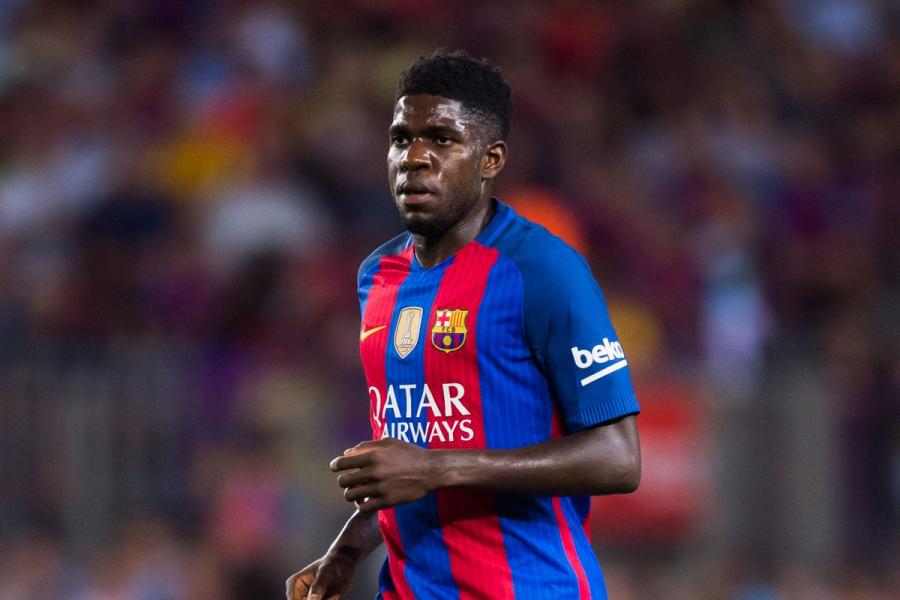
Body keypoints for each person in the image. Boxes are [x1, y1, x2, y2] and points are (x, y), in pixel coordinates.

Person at [287, 49, 641, 600]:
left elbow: (618, 458)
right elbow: (414, 454)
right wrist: (351, 545)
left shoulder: (543, 270)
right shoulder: (377, 277)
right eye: (401, 138)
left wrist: (437, 468)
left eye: (442, 139)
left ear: (490, 159)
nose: (414, 157)